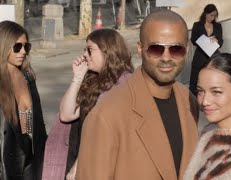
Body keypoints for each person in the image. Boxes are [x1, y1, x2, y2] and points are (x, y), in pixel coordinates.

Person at [76, 10, 199, 180]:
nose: (166, 58)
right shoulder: (106, 114)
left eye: (176, 49)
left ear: (187, 50)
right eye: (156, 49)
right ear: (140, 49)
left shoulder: (189, 100)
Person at [57, 29, 133, 180]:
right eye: (85, 49)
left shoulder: (125, 84)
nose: (85, 54)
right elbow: (66, 114)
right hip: (86, 156)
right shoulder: (92, 80)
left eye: (90, 50)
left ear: (108, 51)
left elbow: (105, 132)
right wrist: (78, 77)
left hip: (105, 163)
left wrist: (79, 164)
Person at [0, 21, 47, 180]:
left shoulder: (27, 76)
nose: (22, 52)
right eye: (17, 47)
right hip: (8, 161)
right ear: (4, 46)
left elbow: (37, 121)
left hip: (33, 157)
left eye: (26, 47)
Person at [189, 4, 223, 96]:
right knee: (195, 81)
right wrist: (203, 40)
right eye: (211, 15)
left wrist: (217, 41)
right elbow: (193, 40)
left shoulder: (218, 26)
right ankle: (193, 102)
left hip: (213, 57)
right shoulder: (197, 25)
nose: (213, 18)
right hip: (200, 57)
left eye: (214, 16)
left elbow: (221, 41)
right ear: (205, 13)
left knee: (212, 81)